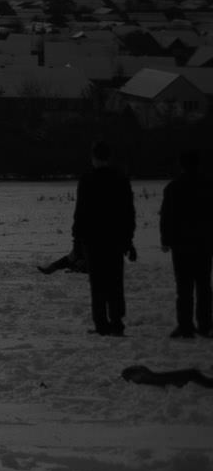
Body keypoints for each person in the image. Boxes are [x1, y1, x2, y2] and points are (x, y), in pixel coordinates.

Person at [74, 142, 138, 336]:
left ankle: (101, 323)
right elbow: (128, 213)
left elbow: (81, 213)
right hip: (115, 240)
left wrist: (77, 241)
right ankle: (117, 321)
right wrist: (128, 239)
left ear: (93, 157)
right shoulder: (120, 179)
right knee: (115, 282)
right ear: (109, 157)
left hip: (93, 240)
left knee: (98, 284)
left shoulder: (87, 180)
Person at [160, 150, 212, 340]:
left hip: (182, 244)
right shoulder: (208, 186)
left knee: (184, 288)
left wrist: (165, 239)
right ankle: (205, 324)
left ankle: (186, 325)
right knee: (204, 285)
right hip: (204, 242)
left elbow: (166, 217)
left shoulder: (173, 188)